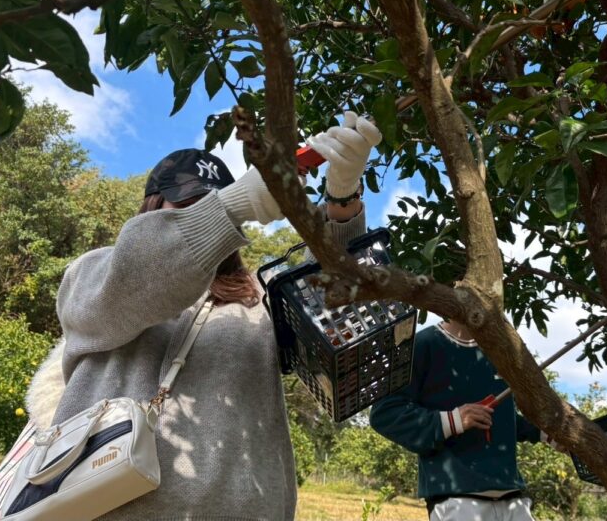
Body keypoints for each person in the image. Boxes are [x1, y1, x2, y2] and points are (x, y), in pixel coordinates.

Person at [39, 112, 381, 520]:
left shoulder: (259, 299)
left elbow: (337, 315)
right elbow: (136, 279)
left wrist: (342, 205)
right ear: (153, 208)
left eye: (211, 202)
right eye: (185, 205)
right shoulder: (94, 274)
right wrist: (233, 204)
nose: (202, 214)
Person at [369, 319, 551, 521]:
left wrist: (545, 434)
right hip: (458, 501)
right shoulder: (424, 345)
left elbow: (500, 416)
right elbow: (385, 412)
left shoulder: (498, 350)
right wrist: (452, 420)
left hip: (513, 499)